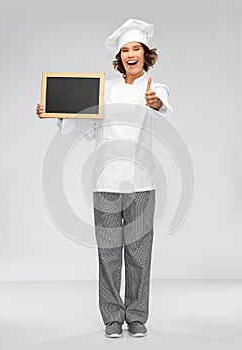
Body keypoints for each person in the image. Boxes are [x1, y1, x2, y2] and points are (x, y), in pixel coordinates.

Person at [36, 18, 172, 338]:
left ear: (146, 54)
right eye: (125, 50)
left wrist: (156, 102)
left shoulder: (155, 87)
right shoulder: (104, 89)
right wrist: (58, 112)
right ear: (119, 57)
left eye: (136, 48)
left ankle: (136, 314)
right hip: (106, 182)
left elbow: (162, 103)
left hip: (142, 183)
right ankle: (112, 316)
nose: (130, 54)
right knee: (109, 253)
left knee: (139, 252)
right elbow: (85, 127)